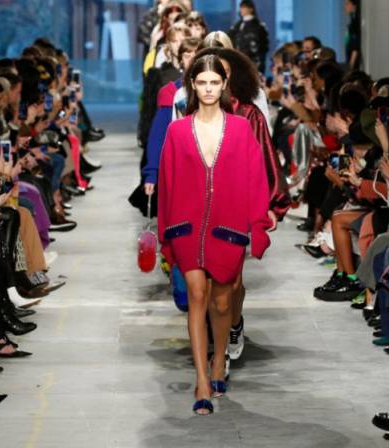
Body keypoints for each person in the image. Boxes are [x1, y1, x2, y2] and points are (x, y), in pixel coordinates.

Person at [157, 54, 272, 415]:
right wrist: (164, 234)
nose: (208, 89)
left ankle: (219, 360)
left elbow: (256, 178)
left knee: (222, 303)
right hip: (186, 226)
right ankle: (202, 381)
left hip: (227, 226)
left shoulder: (240, 128)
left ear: (224, 85)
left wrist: (258, 224)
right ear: (192, 85)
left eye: (214, 82)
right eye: (202, 82)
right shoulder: (177, 131)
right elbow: (166, 182)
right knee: (197, 294)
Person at [228, 0, 270, 73]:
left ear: (251, 9)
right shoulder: (237, 26)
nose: (242, 10)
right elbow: (230, 39)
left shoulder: (259, 26)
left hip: (254, 63)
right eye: (241, 7)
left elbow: (263, 47)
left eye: (244, 7)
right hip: (238, 62)